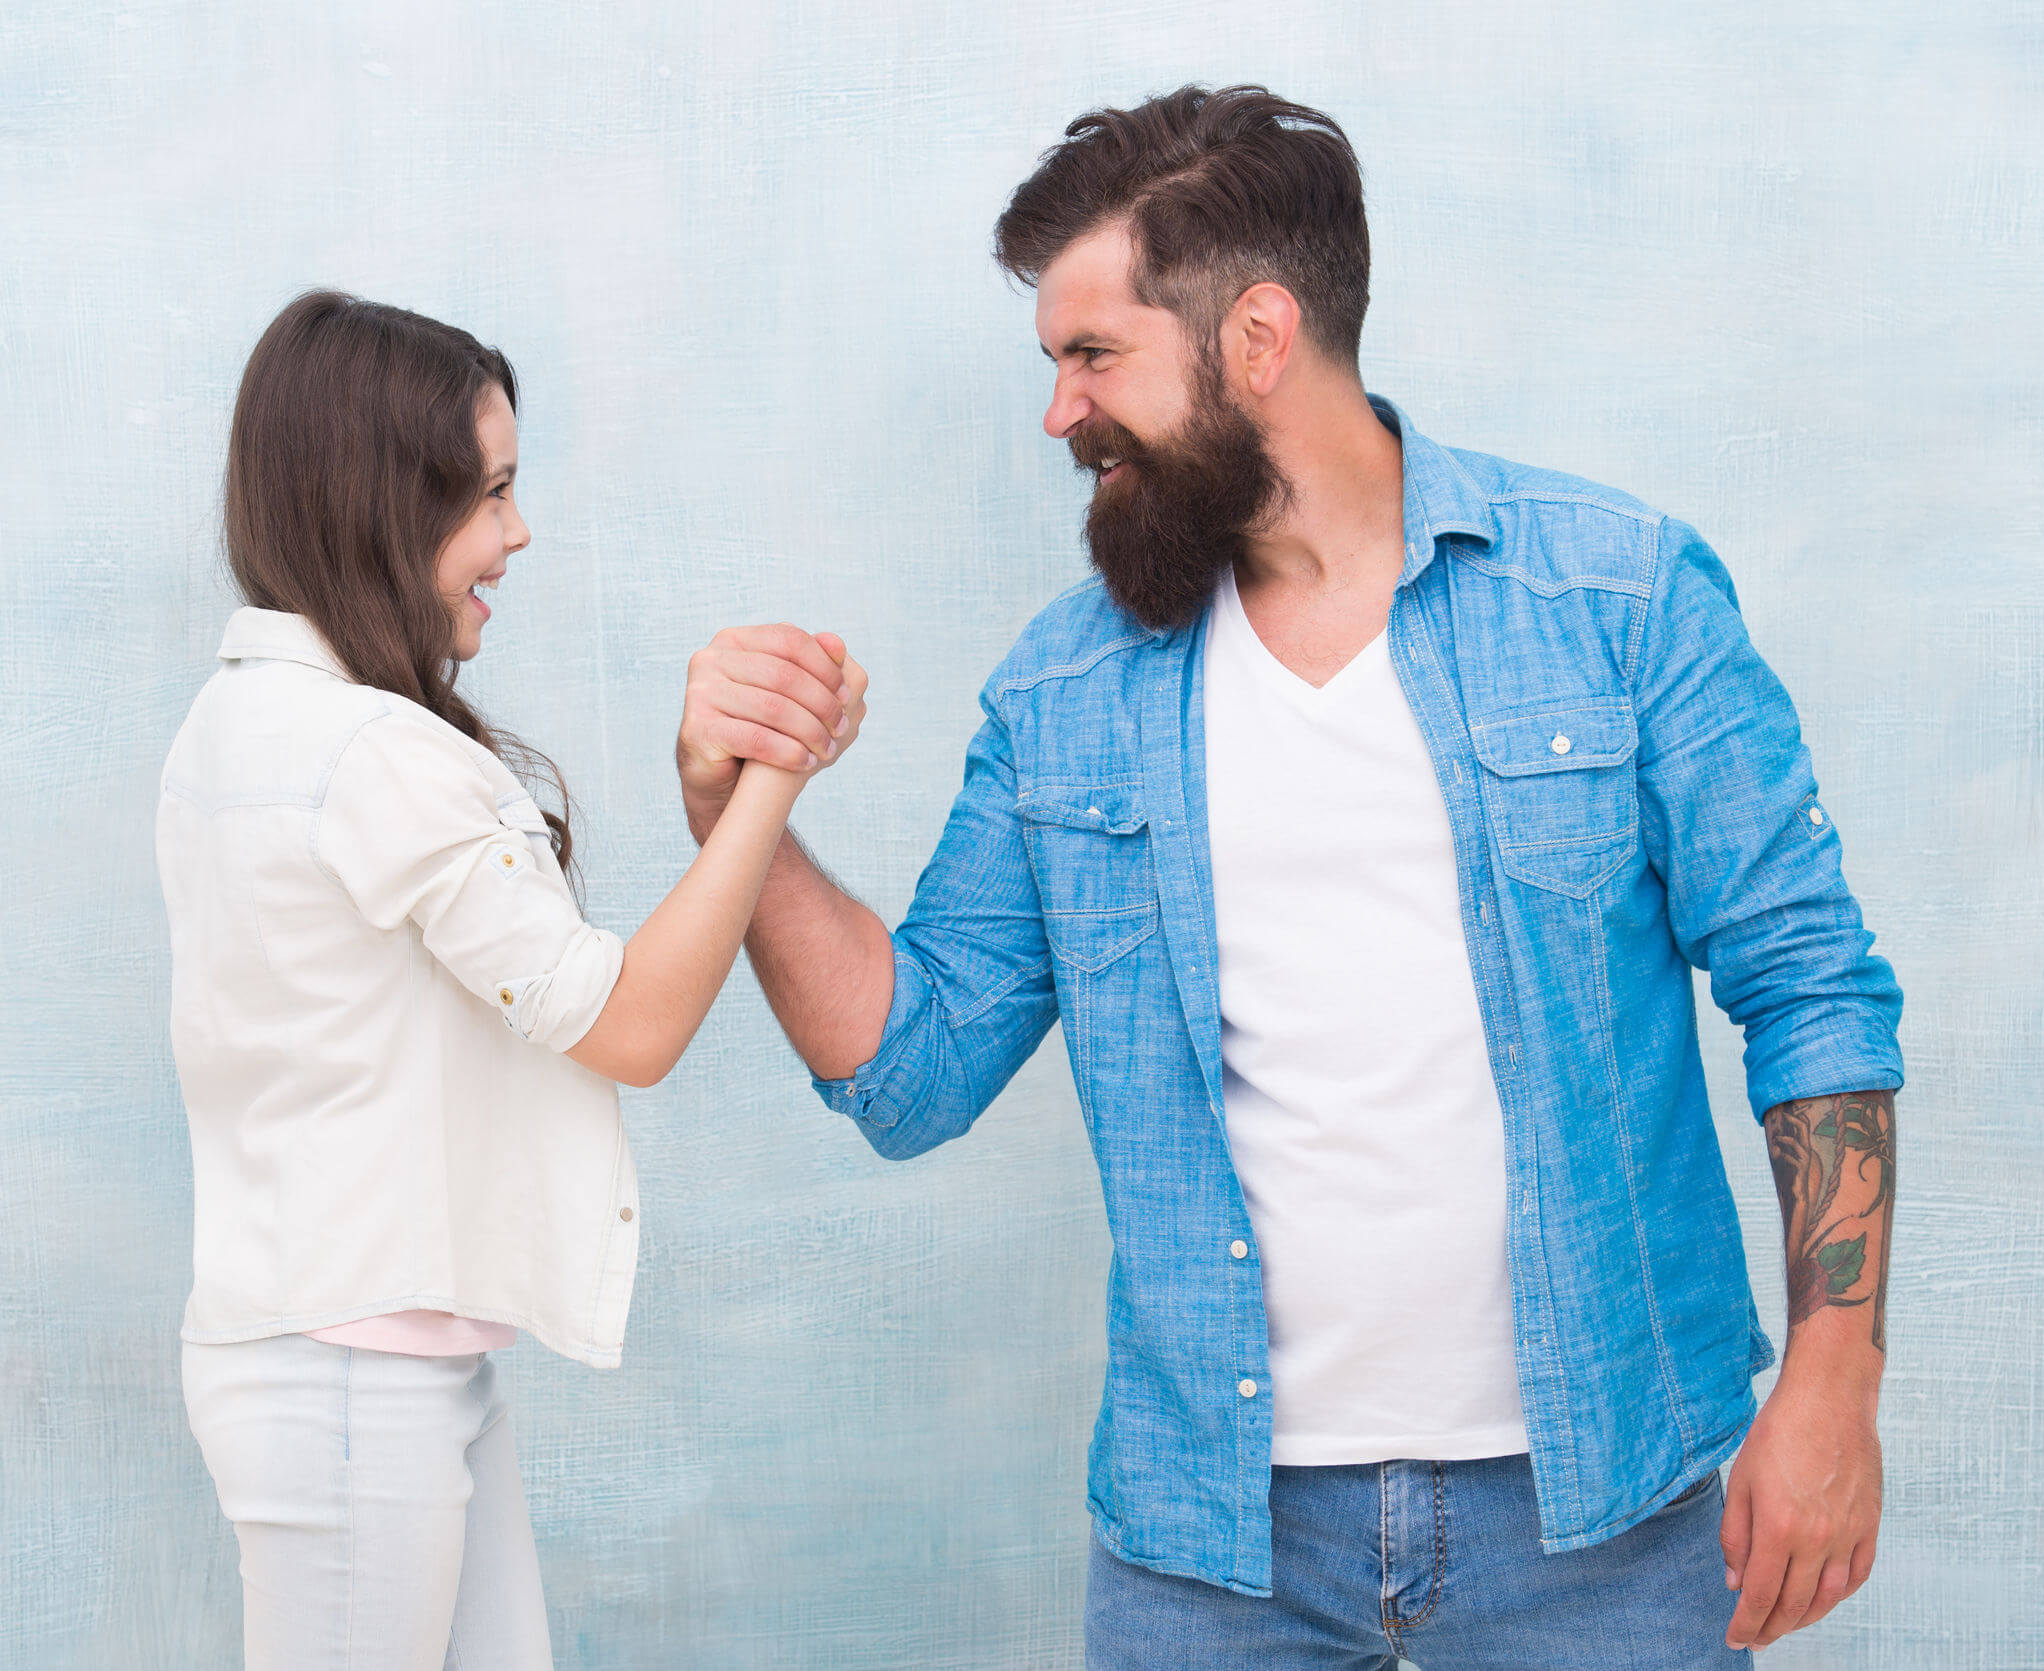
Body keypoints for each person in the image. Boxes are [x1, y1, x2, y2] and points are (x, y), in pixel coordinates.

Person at [679, 88, 1901, 1666]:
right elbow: (910, 1070)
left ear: (1256, 335)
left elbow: (1808, 984)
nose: (1060, 415)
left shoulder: (1614, 597)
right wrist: (745, 815)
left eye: (1092, 356)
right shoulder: (1066, 692)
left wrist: (1831, 1387)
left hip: (1605, 1514)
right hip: (1212, 1545)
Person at [156, 291, 865, 1669]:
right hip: (352, 1372)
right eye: (489, 495)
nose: (517, 533)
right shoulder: (363, 755)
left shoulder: (254, 724)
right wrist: (769, 776)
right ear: (381, 505)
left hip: (369, 1354)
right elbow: (632, 1024)